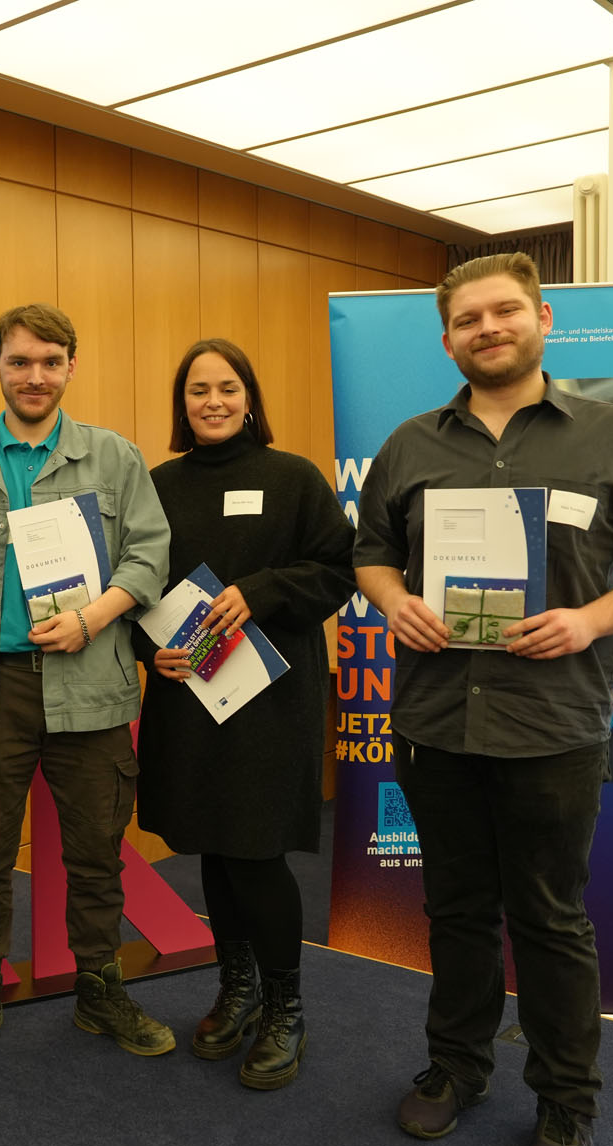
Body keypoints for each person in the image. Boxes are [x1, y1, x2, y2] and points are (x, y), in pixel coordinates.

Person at [354, 252, 613, 1146]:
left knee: (550, 919)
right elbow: (371, 554)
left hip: (555, 727)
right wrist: (392, 600)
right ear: (448, 340)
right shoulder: (409, 445)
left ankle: (565, 1098)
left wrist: (591, 620)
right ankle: (458, 1066)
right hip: (436, 722)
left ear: (543, 318)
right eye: (468, 319)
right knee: (456, 909)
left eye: (504, 311)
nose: (488, 328)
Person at [0, 302, 173, 1063]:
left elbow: (150, 557)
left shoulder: (114, 458)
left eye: (49, 362)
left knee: (97, 852)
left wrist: (91, 619)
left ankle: (100, 989)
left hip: (90, 678)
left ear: (71, 367)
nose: (34, 376)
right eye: (19, 361)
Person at [132, 338, 355, 1089]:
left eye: (228, 387)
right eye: (198, 390)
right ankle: (238, 988)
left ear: (250, 398)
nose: (214, 402)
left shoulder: (293, 478)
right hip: (190, 697)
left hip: (270, 699)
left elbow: (339, 570)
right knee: (214, 847)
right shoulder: (159, 485)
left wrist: (260, 592)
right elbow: (135, 585)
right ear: (182, 404)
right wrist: (149, 650)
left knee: (256, 851)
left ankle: (286, 1007)